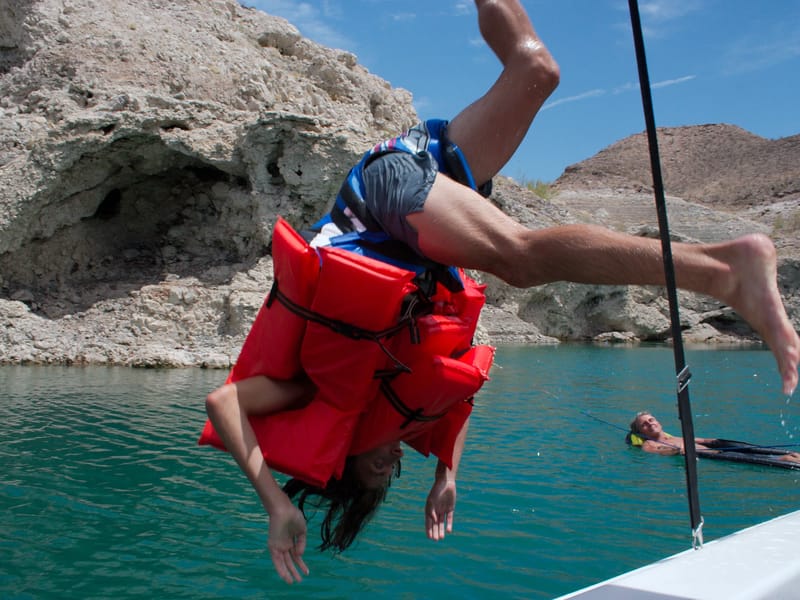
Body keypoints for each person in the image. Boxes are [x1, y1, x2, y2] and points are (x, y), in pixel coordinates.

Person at [205, 0, 800, 585]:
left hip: (378, 205)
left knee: (518, 257)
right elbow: (458, 399)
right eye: (389, 480)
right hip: (411, 184)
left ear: (342, 465)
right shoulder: (398, 415)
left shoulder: (312, 393)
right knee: (534, 69)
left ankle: (722, 271)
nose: (388, 469)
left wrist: (276, 506)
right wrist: (447, 475)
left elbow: (223, 403)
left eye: (372, 475)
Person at [628, 411, 800, 463]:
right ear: (641, 432)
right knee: (785, 459)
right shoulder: (649, 443)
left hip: (718, 449)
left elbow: (702, 440)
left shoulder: (672, 436)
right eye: (645, 424)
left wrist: (718, 441)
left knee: (760, 450)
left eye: (651, 419)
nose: (650, 423)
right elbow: (657, 451)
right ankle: (787, 459)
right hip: (714, 456)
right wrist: (676, 450)